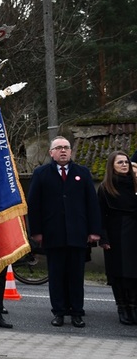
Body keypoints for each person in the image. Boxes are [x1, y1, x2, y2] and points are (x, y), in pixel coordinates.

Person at [27, 136, 101, 328]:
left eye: (66, 147)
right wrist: (36, 232)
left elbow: (92, 204)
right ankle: (59, 312)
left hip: (77, 233)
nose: (63, 151)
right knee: (57, 275)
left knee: (76, 276)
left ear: (71, 151)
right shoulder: (41, 173)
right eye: (58, 148)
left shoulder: (82, 173)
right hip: (53, 234)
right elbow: (34, 205)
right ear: (51, 153)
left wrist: (94, 231)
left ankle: (77, 312)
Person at [97, 150, 137, 325]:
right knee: (118, 273)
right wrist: (103, 238)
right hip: (116, 234)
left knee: (134, 273)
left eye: (126, 162)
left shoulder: (135, 185)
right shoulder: (106, 188)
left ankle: (134, 306)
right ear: (112, 166)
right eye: (120, 162)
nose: (124, 165)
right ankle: (122, 307)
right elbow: (100, 215)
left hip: (134, 233)